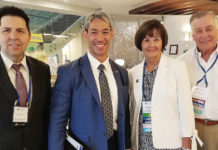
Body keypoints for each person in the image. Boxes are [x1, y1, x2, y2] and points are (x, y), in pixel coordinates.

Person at [48, 11, 131, 150]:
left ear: (112, 34)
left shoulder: (121, 72)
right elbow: (58, 122)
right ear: (85, 34)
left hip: (116, 144)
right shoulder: (68, 72)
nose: (100, 38)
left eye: (105, 32)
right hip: (85, 146)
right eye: (94, 32)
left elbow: (124, 115)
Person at [129, 19, 196, 150]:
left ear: (163, 42)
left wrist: (187, 138)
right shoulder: (134, 72)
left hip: (170, 139)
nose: (151, 45)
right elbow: (133, 109)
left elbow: (186, 106)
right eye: (146, 40)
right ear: (140, 43)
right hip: (142, 139)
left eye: (156, 39)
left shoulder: (177, 67)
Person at [0, 6, 51, 150]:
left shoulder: (42, 70)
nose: (14, 36)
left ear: (29, 37)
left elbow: (45, 115)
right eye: (6, 30)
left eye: (20, 31)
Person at [179, 10, 218, 150]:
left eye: (209, 29)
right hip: (193, 129)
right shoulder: (182, 63)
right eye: (199, 31)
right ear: (193, 35)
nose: (205, 35)